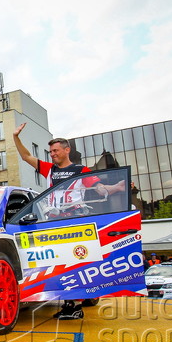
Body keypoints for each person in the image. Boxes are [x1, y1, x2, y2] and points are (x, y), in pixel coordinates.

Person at [13, 122, 124, 319]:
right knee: (59, 261)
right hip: (53, 220)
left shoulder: (82, 170)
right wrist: (16, 138)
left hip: (75, 219)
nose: (52, 154)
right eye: (50, 151)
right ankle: (69, 304)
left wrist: (116, 187)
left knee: (76, 260)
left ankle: (74, 305)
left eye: (55, 150)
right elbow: (25, 156)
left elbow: (100, 189)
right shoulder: (49, 170)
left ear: (67, 150)